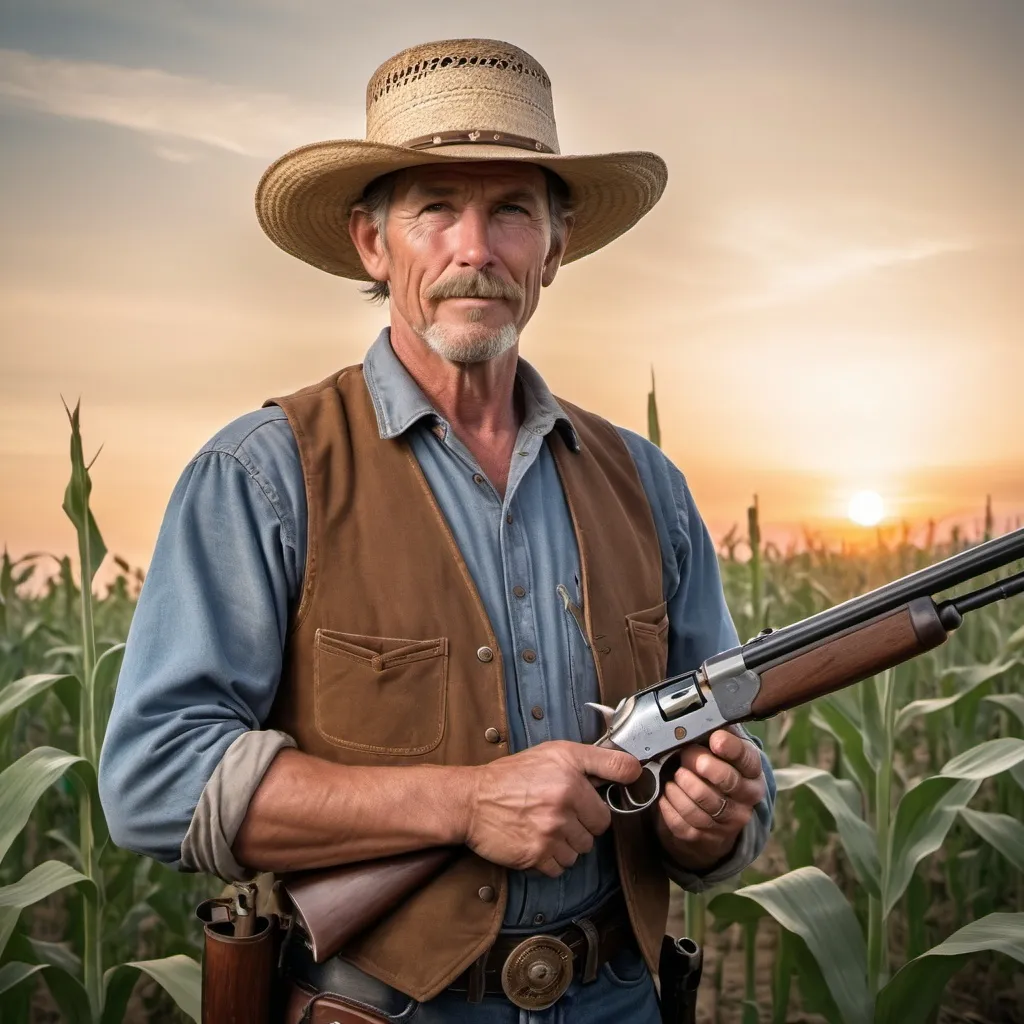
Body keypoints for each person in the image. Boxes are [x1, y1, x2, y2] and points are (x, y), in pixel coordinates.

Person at [99, 37, 775, 1024]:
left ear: (555, 246)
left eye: (509, 211)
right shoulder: (263, 473)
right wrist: (466, 802)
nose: (474, 249)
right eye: (434, 211)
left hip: (617, 1000)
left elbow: (719, 784)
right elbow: (155, 778)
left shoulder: (651, 487)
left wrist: (711, 821)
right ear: (373, 245)